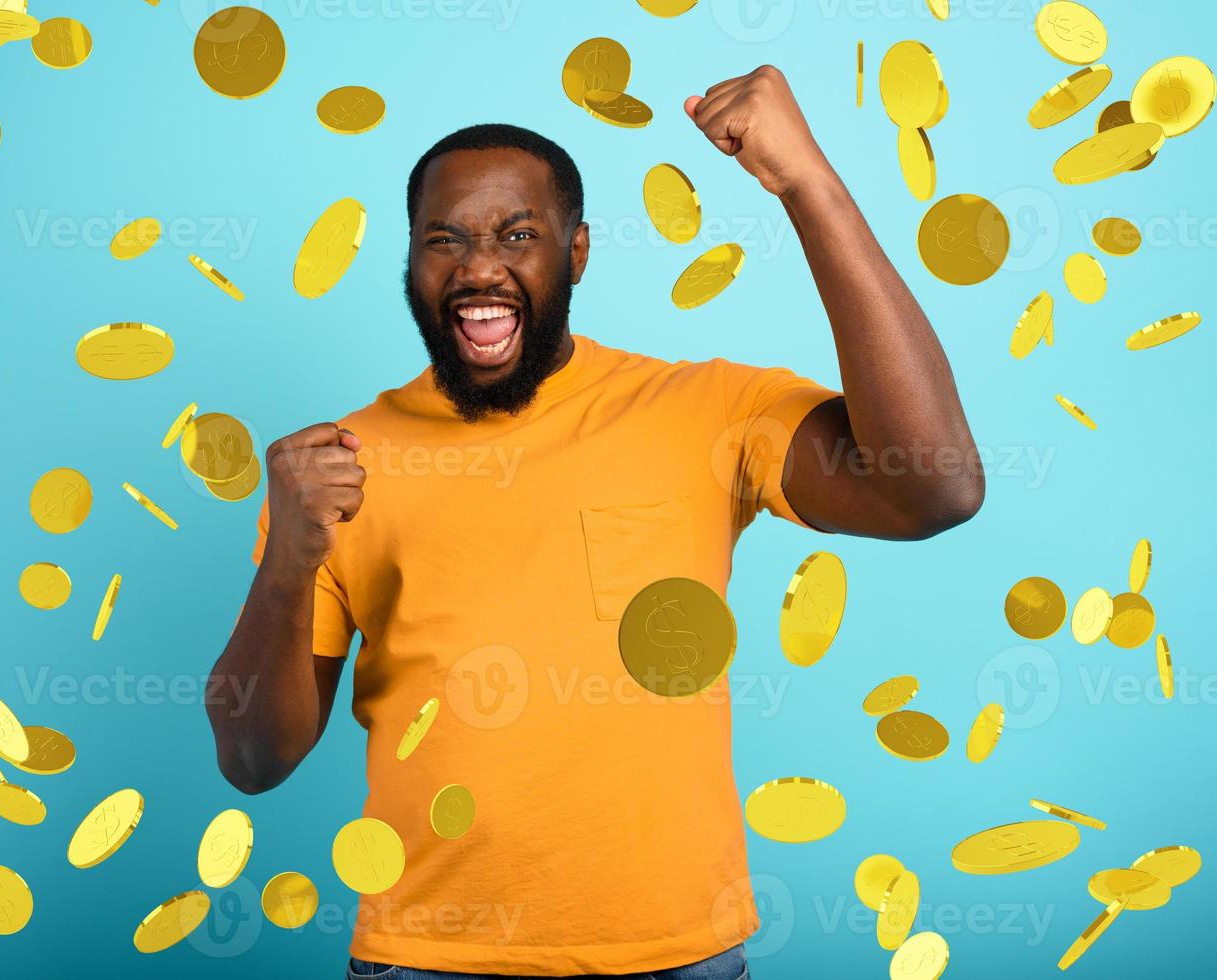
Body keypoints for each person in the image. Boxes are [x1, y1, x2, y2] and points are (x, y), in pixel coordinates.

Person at [206, 66, 983, 980]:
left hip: (678, 957)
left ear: (576, 254)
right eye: (442, 239)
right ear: (410, 261)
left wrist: (808, 184)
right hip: (427, 959)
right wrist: (286, 566)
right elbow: (254, 759)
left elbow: (931, 489)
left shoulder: (706, 409)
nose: (478, 268)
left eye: (518, 236)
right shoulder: (337, 468)